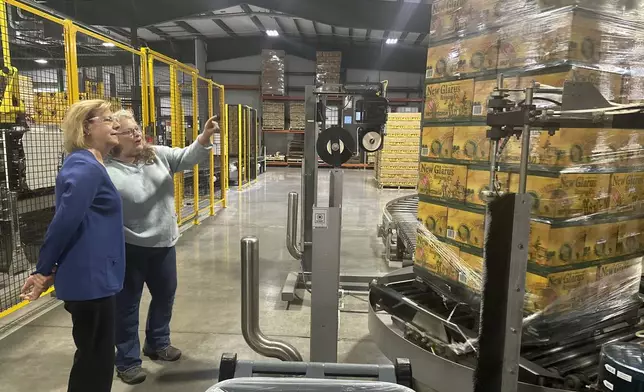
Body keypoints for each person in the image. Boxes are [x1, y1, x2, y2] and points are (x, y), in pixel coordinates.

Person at [107, 109, 220, 384]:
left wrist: (204, 137)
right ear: (113, 139)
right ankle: (127, 361)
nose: (136, 133)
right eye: (128, 131)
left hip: (163, 243)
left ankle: (157, 343)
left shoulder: (156, 155)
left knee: (164, 296)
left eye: (136, 128)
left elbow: (185, 156)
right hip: (129, 246)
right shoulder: (105, 169)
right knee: (127, 306)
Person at [20, 99, 124, 392]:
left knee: (98, 356)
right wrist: (42, 270)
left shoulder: (93, 163)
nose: (115, 124)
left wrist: (52, 267)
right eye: (107, 119)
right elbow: (65, 222)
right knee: (95, 360)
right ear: (86, 127)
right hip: (90, 282)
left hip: (95, 277)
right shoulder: (84, 167)